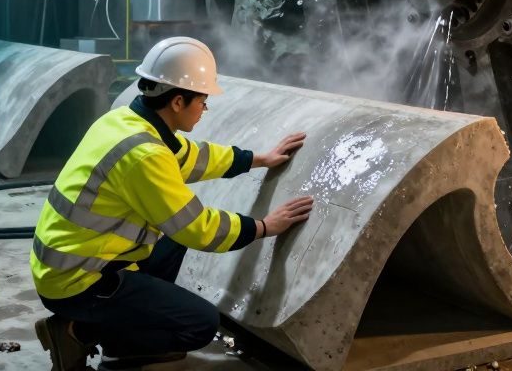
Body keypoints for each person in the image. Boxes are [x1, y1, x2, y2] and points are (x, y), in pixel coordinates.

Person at [31, 36, 314, 371]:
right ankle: (89, 335)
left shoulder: (126, 122)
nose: (204, 110)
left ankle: (99, 322)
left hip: (69, 266)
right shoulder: (144, 154)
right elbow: (200, 229)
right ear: (178, 102)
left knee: (173, 246)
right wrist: (265, 227)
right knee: (200, 324)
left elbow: (192, 157)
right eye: (202, 102)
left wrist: (258, 159)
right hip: (79, 282)